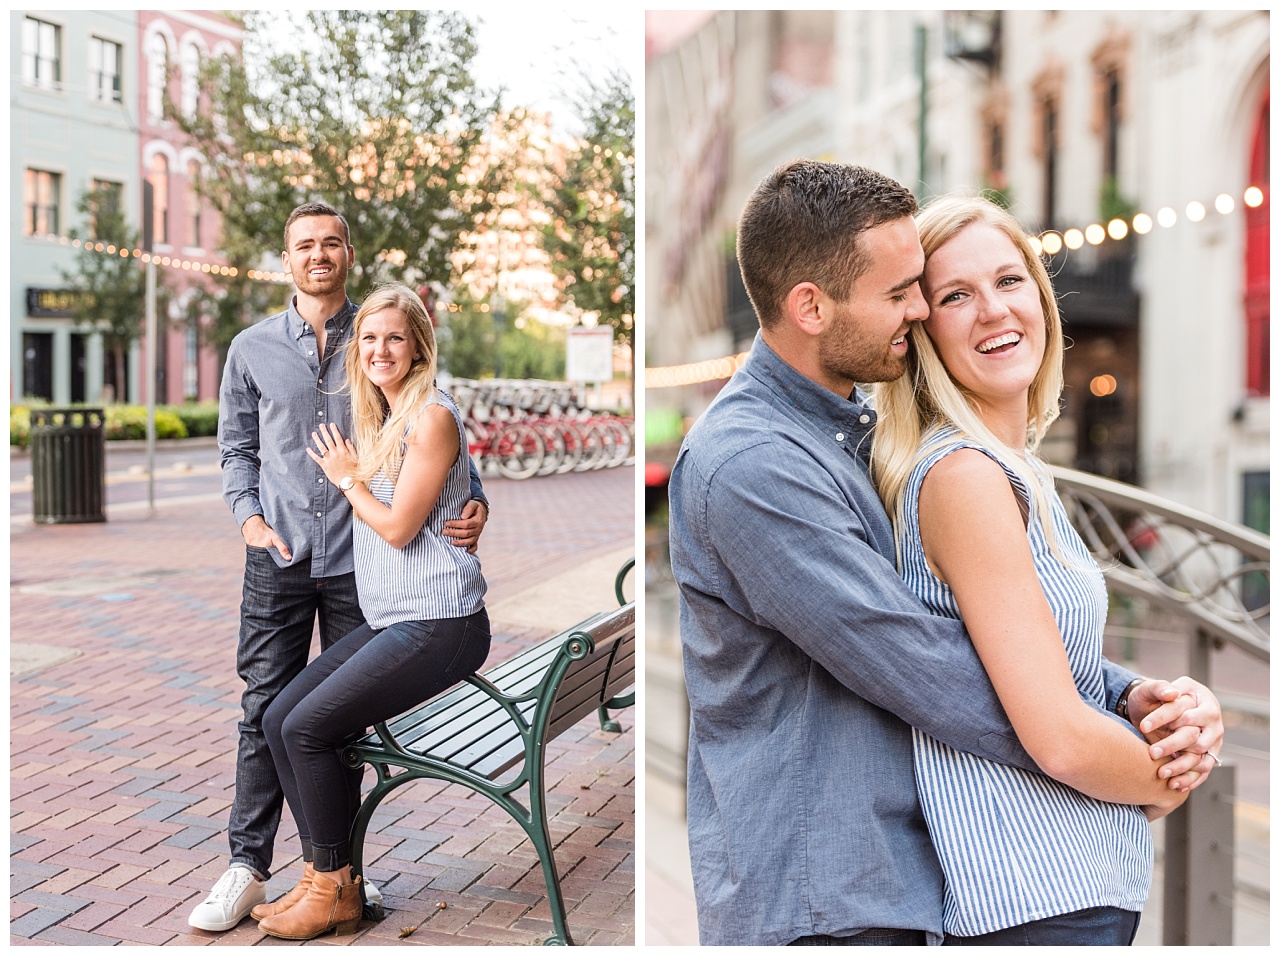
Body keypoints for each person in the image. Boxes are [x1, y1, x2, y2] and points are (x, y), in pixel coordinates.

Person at [667, 160, 1224, 946]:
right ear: (811, 306)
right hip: (820, 895)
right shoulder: (753, 465)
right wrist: (1147, 771)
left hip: (897, 883)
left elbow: (987, 635)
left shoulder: (851, 434)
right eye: (903, 292)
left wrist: (1134, 696)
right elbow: (929, 667)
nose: (922, 308)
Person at [870, 193, 1215, 945]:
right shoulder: (963, 476)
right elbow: (1056, 736)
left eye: (1009, 280)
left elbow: (1041, 663)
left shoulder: (1014, 468)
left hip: (1067, 885)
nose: (992, 310)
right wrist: (1179, 772)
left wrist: (1152, 704)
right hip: (1037, 896)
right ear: (924, 330)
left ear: (1041, 296)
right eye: (955, 295)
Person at [191, 203, 489, 932]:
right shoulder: (253, 347)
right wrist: (249, 520)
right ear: (286, 259)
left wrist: (476, 502)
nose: (317, 255)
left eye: (330, 243)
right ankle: (248, 866)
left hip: (365, 567)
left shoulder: (374, 334)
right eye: (304, 246)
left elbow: (446, 456)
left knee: (335, 722)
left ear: (347, 254)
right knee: (269, 709)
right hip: (282, 553)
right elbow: (236, 449)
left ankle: (336, 871)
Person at [253, 283, 490, 939]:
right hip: (400, 619)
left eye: (393, 337)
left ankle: (333, 887)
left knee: (309, 730)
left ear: (417, 346)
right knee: (278, 718)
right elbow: (461, 494)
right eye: (369, 338)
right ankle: (324, 877)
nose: (380, 349)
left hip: (441, 622)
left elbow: (398, 529)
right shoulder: (382, 419)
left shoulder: (430, 416)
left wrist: (349, 479)